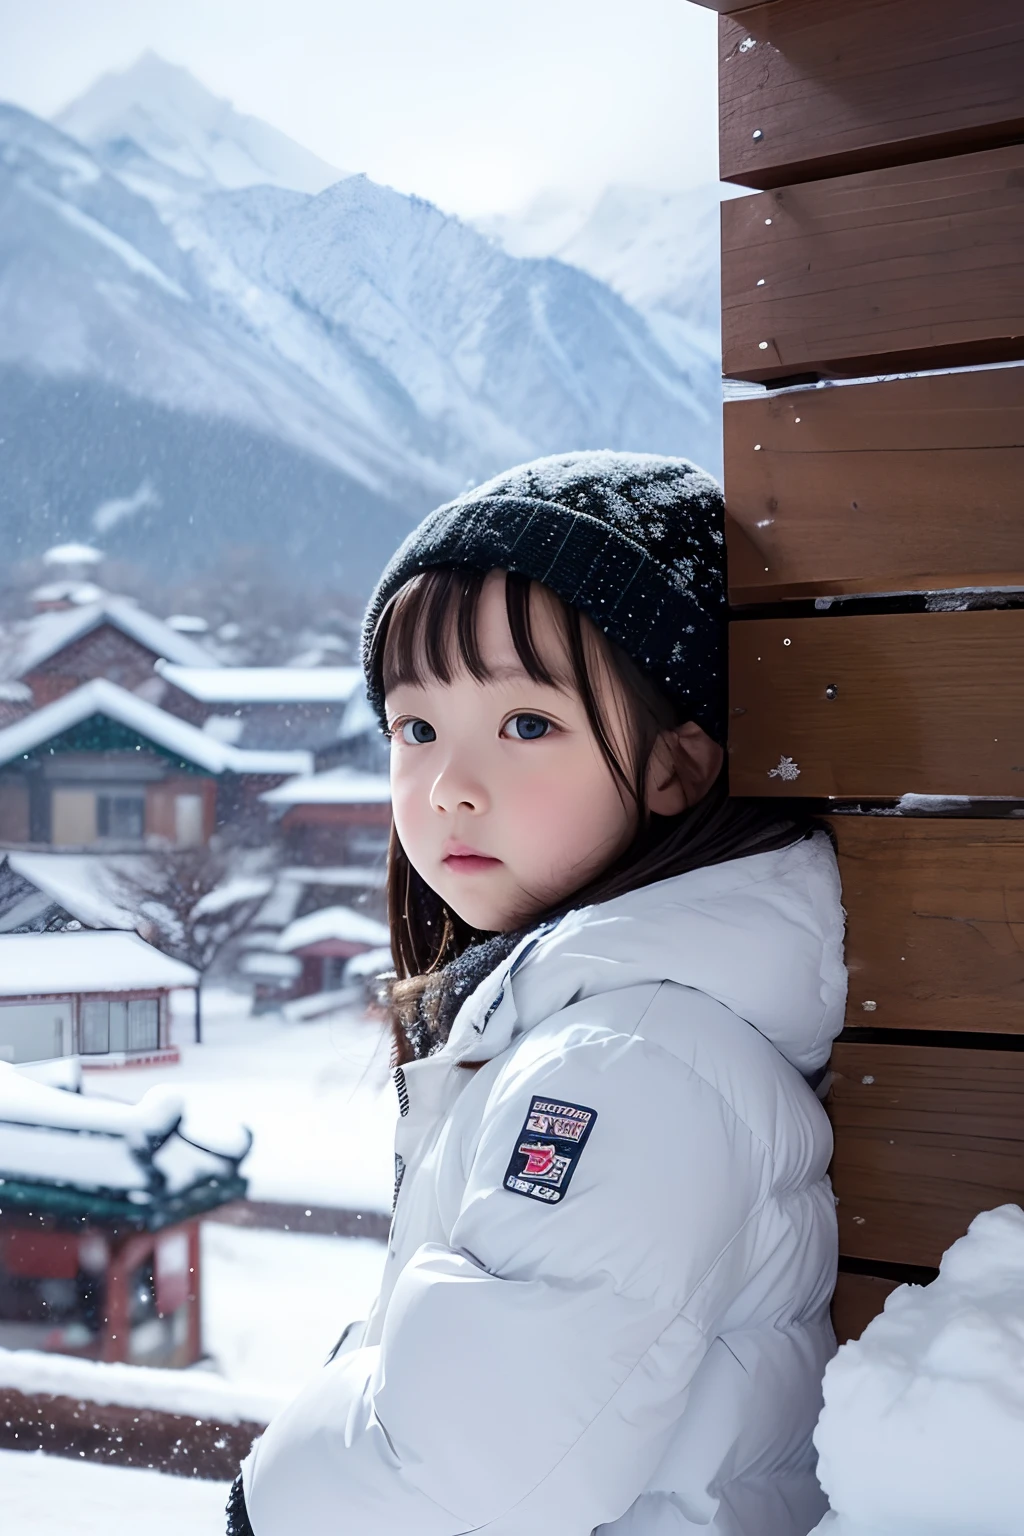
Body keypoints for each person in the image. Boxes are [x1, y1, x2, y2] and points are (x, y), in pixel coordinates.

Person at [230, 451, 847, 1536]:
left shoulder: (624, 1066)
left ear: (678, 766)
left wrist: (266, 1503)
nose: (449, 785)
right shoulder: (603, 1030)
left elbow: (468, 1474)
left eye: (525, 725)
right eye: (415, 730)